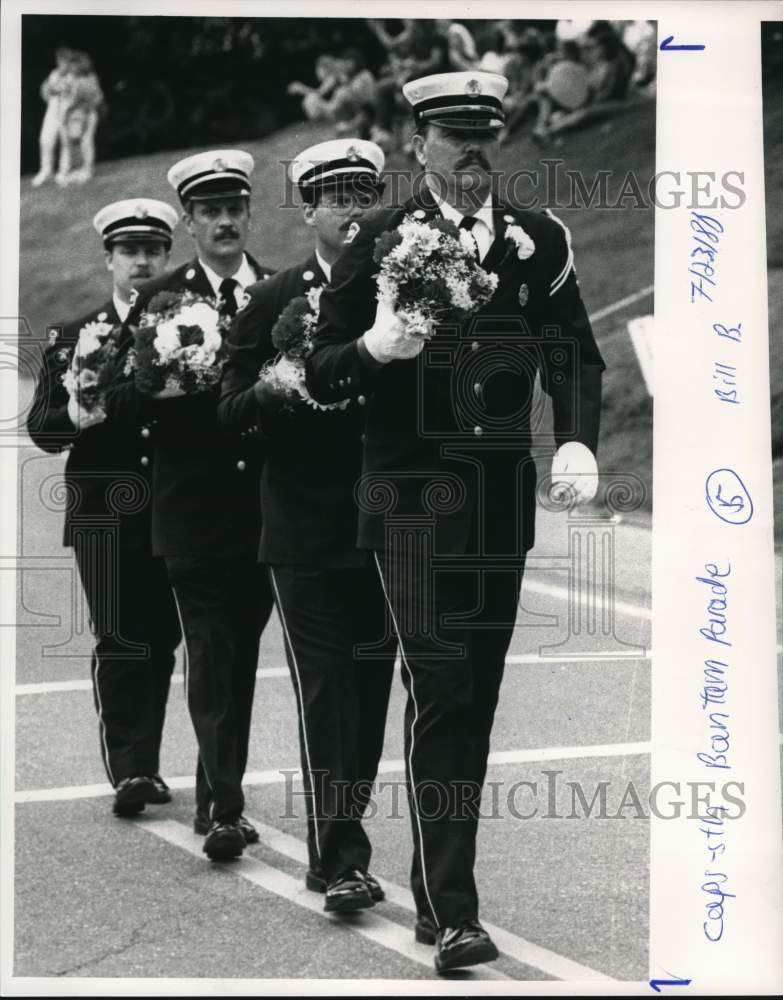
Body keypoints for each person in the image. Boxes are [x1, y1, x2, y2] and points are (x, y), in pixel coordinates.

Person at [306, 71, 605, 971]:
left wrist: (577, 440)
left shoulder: (536, 237)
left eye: (486, 134)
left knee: (473, 696)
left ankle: (440, 890)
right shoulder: (377, 238)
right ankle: (452, 908)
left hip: (497, 500)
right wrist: (371, 347)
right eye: (454, 135)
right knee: (440, 684)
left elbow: (575, 355)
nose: (472, 150)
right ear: (418, 144)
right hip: (405, 499)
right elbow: (320, 367)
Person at [219, 139, 397, 913]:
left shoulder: (404, 293)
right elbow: (225, 411)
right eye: (337, 196)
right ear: (310, 209)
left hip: (387, 527)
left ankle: (336, 841)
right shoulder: (270, 300)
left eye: (365, 193)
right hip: (303, 531)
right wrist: (272, 391)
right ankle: (343, 856)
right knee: (327, 692)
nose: (353, 208)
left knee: (369, 687)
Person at [103, 151, 276, 862]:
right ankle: (225, 807)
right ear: (193, 222)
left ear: (246, 212)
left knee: (239, 653)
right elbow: (115, 402)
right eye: (210, 211)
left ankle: (216, 786)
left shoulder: (281, 292)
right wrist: (158, 380)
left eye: (234, 207)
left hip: (266, 509)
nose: (225, 220)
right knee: (208, 647)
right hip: (191, 507)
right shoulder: (158, 300)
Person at [26, 198, 182, 818]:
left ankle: (148, 757)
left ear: (168, 257)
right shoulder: (73, 334)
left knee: (163, 637)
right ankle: (131, 768)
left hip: (173, 507)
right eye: (129, 251)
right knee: (121, 636)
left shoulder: (190, 324)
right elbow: (42, 427)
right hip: (103, 511)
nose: (141, 261)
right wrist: (75, 413)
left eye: (152, 250)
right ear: (109, 259)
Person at [31, 47, 74, 187]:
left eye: (66, 61)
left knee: (66, 141)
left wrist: (56, 89)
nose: (64, 64)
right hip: (53, 108)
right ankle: (45, 170)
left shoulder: (73, 75)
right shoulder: (54, 74)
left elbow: (69, 90)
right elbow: (46, 91)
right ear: (58, 62)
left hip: (67, 109)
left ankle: (64, 172)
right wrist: (50, 89)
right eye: (61, 61)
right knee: (46, 139)